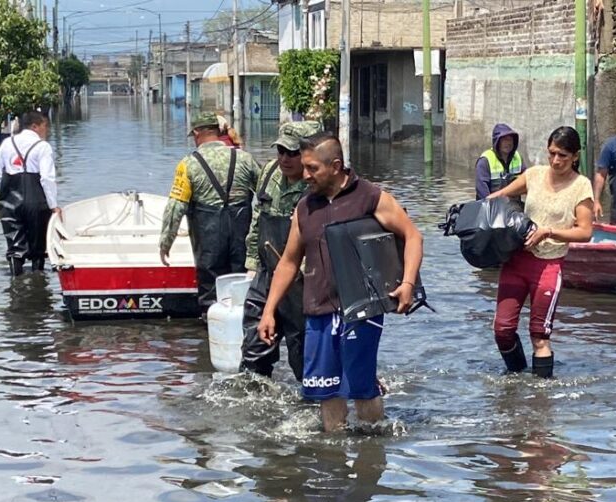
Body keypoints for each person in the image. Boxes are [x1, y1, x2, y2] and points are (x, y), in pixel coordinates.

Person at [257, 133, 423, 432]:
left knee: (362, 388)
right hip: (318, 310)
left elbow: (412, 236)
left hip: (361, 310)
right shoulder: (305, 207)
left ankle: (371, 454)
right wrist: (269, 310)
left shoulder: (370, 197)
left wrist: (408, 284)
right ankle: (334, 454)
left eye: (312, 168)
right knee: (326, 389)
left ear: (335, 166)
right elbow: (289, 261)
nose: (305, 175)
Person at [487, 126, 594, 378]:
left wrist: (549, 231)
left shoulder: (581, 186)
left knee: (539, 336)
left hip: (548, 264)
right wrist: (474, 213)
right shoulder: (534, 175)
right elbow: (500, 196)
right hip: (517, 260)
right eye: (552, 153)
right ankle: (515, 379)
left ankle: (541, 395)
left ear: (575, 156)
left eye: (563, 156)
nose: (556, 161)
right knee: (502, 330)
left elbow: (585, 232)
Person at [239, 120, 322, 381]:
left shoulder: (319, 187)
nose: (285, 159)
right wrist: (251, 262)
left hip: (302, 282)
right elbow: (257, 217)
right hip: (267, 272)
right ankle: (254, 396)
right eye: (281, 152)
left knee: (302, 352)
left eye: (293, 153)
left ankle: (311, 401)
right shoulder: (269, 173)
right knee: (254, 343)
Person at [159, 111, 259, 315]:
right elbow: (266, 195)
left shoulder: (188, 164)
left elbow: (176, 206)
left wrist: (165, 243)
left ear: (196, 133)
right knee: (243, 284)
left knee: (211, 290)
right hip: (242, 234)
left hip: (208, 238)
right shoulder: (245, 158)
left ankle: (211, 326)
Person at [0, 110, 60, 276]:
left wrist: (5, 197)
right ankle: (38, 285)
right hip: (36, 201)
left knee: (15, 245)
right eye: (45, 126)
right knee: (38, 246)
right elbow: (46, 179)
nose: (47, 131)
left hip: (9, 200)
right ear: (35, 126)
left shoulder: (7, 143)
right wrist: (53, 205)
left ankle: (16, 283)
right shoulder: (43, 147)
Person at [475, 123, 525, 200]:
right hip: (491, 208)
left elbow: (526, 181)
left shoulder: (518, 158)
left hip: (514, 208)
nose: (508, 143)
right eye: (504, 140)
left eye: (510, 139)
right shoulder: (485, 161)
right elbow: (482, 193)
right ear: (497, 142)